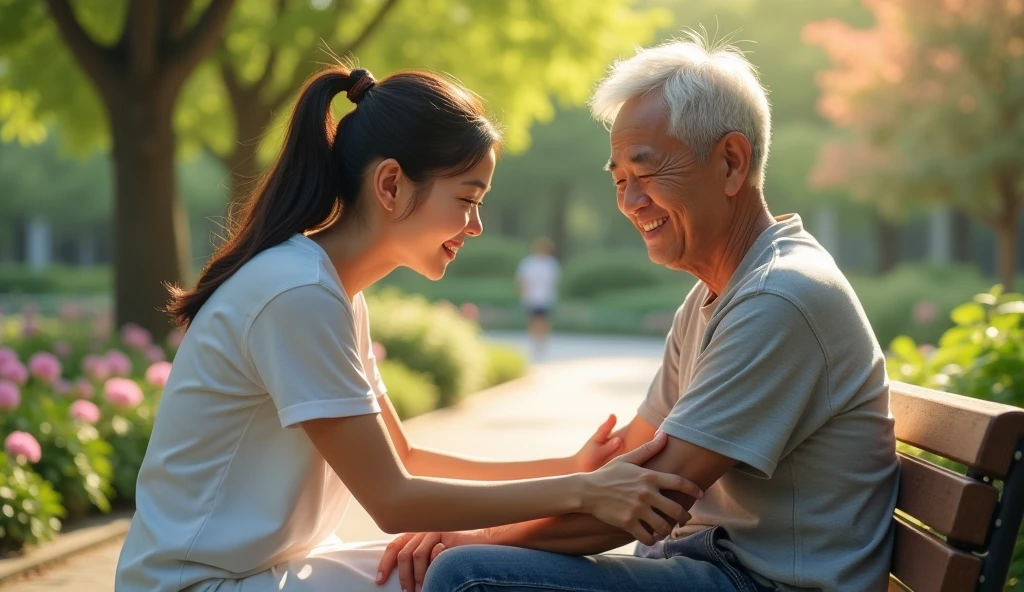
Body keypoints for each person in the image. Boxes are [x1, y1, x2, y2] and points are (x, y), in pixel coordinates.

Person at [113, 65, 704, 592]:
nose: (475, 226)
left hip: (260, 573)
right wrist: (583, 493)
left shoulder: (332, 291)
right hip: (199, 585)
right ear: (391, 184)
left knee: (458, 559)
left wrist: (573, 468)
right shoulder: (296, 293)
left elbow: (406, 456)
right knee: (471, 573)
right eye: (467, 198)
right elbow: (393, 500)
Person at [384, 34, 901, 592]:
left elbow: (647, 497)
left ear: (731, 162)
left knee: (467, 576)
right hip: (708, 566)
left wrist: (476, 536)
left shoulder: (779, 299)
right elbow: (636, 453)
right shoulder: (718, 295)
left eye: (647, 172)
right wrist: (479, 520)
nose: (630, 202)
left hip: (764, 583)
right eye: (620, 180)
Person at [515, 237, 561, 357]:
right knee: (533, 320)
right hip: (531, 297)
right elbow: (522, 280)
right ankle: (535, 341)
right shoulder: (528, 263)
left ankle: (543, 341)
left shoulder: (551, 263)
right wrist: (522, 293)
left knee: (544, 320)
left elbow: (554, 281)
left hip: (545, 297)